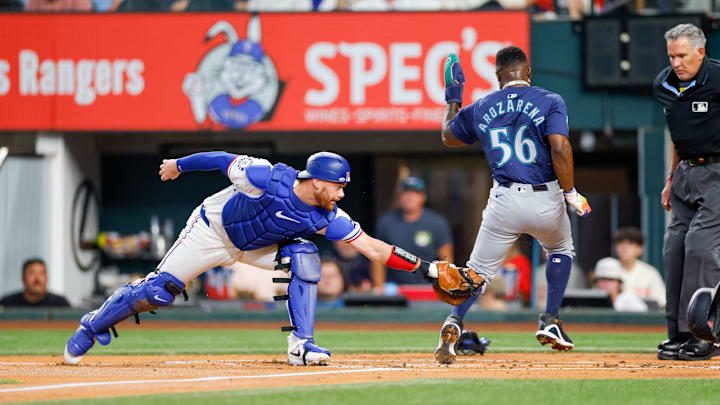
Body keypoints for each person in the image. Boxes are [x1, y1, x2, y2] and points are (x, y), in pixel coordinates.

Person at [64, 151, 463, 366]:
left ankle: (301, 345)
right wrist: (179, 166)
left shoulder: (327, 216)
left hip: (257, 248)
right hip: (212, 229)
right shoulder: (267, 177)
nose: (342, 194)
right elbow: (221, 159)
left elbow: (373, 248)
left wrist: (427, 269)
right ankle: (92, 325)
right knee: (160, 291)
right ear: (318, 181)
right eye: (338, 187)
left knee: (306, 257)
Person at [433, 46, 591, 364]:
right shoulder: (550, 100)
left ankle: (454, 320)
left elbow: (448, 136)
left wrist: (454, 95)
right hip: (545, 196)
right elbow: (560, 147)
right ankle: (550, 320)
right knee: (560, 250)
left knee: (477, 272)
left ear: (497, 75)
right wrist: (571, 191)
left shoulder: (483, 105)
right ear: (527, 72)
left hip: (504, 199)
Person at [653, 23, 720, 361]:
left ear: (700, 53)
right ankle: (679, 333)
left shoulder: (718, 79)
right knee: (674, 249)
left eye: (682, 55)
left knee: (701, 248)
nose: (676, 62)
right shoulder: (664, 84)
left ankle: (704, 333)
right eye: (671, 56)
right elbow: (676, 136)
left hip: (717, 172)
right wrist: (669, 179)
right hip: (684, 173)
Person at [372, 176, 453, 291]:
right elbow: (377, 258)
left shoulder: (437, 223)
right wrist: (379, 289)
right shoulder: (385, 223)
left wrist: (446, 288)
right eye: (405, 192)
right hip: (394, 290)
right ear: (399, 197)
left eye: (415, 193)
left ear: (423, 197)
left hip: (428, 289)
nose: (409, 197)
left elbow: (446, 259)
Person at [611, 227, 666, 308]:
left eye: (630, 244)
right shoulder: (608, 271)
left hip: (644, 320)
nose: (624, 248)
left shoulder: (650, 273)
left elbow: (661, 303)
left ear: (640, 249)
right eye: (620, 243)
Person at [0, 259, 71, 308]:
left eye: (42, 273)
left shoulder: (60, 304)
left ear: (47, 278)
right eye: (32, 273)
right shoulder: (7, 304)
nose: (37, 279)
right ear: (23, 278)